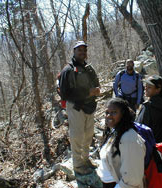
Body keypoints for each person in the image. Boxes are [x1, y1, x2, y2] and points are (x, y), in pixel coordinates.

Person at [59, 41, 100, 175]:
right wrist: (88, 92)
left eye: (84, 50)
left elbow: (96, 82)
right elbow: (65, 93)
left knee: (88, 135)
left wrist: (96, 90)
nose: (82, 53)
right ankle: (77, 165)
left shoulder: (88, 68)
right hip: (76, 107)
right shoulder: (68, 70)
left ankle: (86, 159)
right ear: (74, 52)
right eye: (79, 50)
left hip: (89, 106)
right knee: (77, 136)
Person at [97, 98, 146, 188]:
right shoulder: (114, 132)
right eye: (107, 112)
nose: (108, 116)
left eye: (114, 112)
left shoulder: (129, 139)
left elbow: (132, 178)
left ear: (123, 114)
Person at [135, 75, 162, 150]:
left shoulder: (149, 106)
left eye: (149, 87)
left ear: (158, 89)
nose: (145, 89)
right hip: (161, 148)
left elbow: (141, 127)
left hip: (147, 148)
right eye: (145, 86)